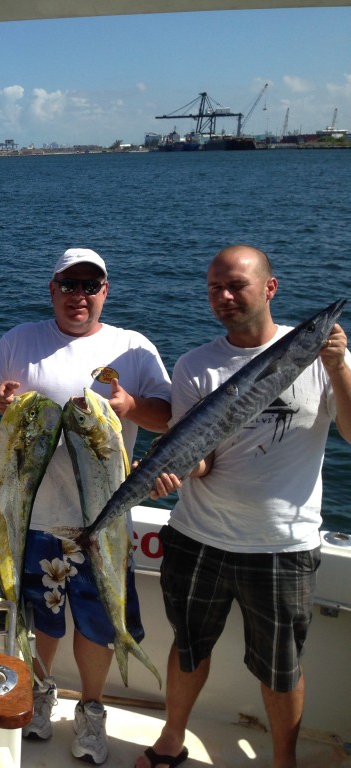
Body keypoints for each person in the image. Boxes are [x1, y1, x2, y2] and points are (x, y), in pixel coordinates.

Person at [135, 245, 351, 768]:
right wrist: (176, 469)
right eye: (214, 288)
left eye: (236, 286)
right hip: (197, 535)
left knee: (280, 667)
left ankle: (284, 761)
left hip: (283, 544)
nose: (224, 297)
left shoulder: (321, 354)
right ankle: (170, 742)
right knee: (188, 648)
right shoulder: (195, 365)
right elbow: (203, 461)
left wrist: (339, 364)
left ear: (270, 288)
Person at [0, 248, 172, 765]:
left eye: (89, 286)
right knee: (43, 618)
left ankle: (92, 710)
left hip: (103, 520)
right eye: (68, 286)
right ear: (52, 290)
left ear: (105, 291)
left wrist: (129, 407)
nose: (78, 296)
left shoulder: (133, 347)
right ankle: (39, 694)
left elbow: (167, 417)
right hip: (34, 517)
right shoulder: (21, 340)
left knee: (98, 621)